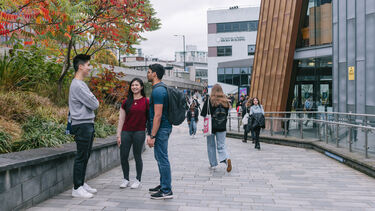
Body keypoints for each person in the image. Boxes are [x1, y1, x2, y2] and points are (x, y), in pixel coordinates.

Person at [69, 54, 99, 198]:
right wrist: (92, 97)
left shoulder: (81, 84)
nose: (89, 68)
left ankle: (81, 183)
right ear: (80, 66)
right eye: (88, 65)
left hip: (86, 124)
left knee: (85, 155)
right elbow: (94, 103)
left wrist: (91, 97)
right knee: (82, 156)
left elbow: (92, 102)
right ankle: (77, 188)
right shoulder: (78, 85)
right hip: (82, 125)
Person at [146, 64, 174, 199]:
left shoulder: (158, 91)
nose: (147, 74)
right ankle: (164, 184)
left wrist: (152, 135)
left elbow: (157, 115)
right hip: (164, 127)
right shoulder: (162, 89)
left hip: (161, 128)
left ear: (155, 74)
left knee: (162, 158)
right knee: (160, 157)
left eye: (149, 72)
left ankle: (166, 190)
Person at [116, 78, 149, 189]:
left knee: (137, 155)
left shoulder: (146, 101)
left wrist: (149, 134)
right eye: (132, 85)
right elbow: (121, 119)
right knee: (123, 156)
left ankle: (138, 179)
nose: (134, 87)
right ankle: (126, 179)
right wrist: (118, 134)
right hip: (126, 132)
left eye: (137, 85)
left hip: (139, 132)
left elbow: (150, 119)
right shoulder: (126, 102)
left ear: (141, 87)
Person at [201, 84, 232, 172]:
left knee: (211, 145)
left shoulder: (209, 100)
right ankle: (226, 159)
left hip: (211, 127)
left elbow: (203, 113)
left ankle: (213, 164)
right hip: (222, 127)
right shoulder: (226, 101)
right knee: (221, 146)